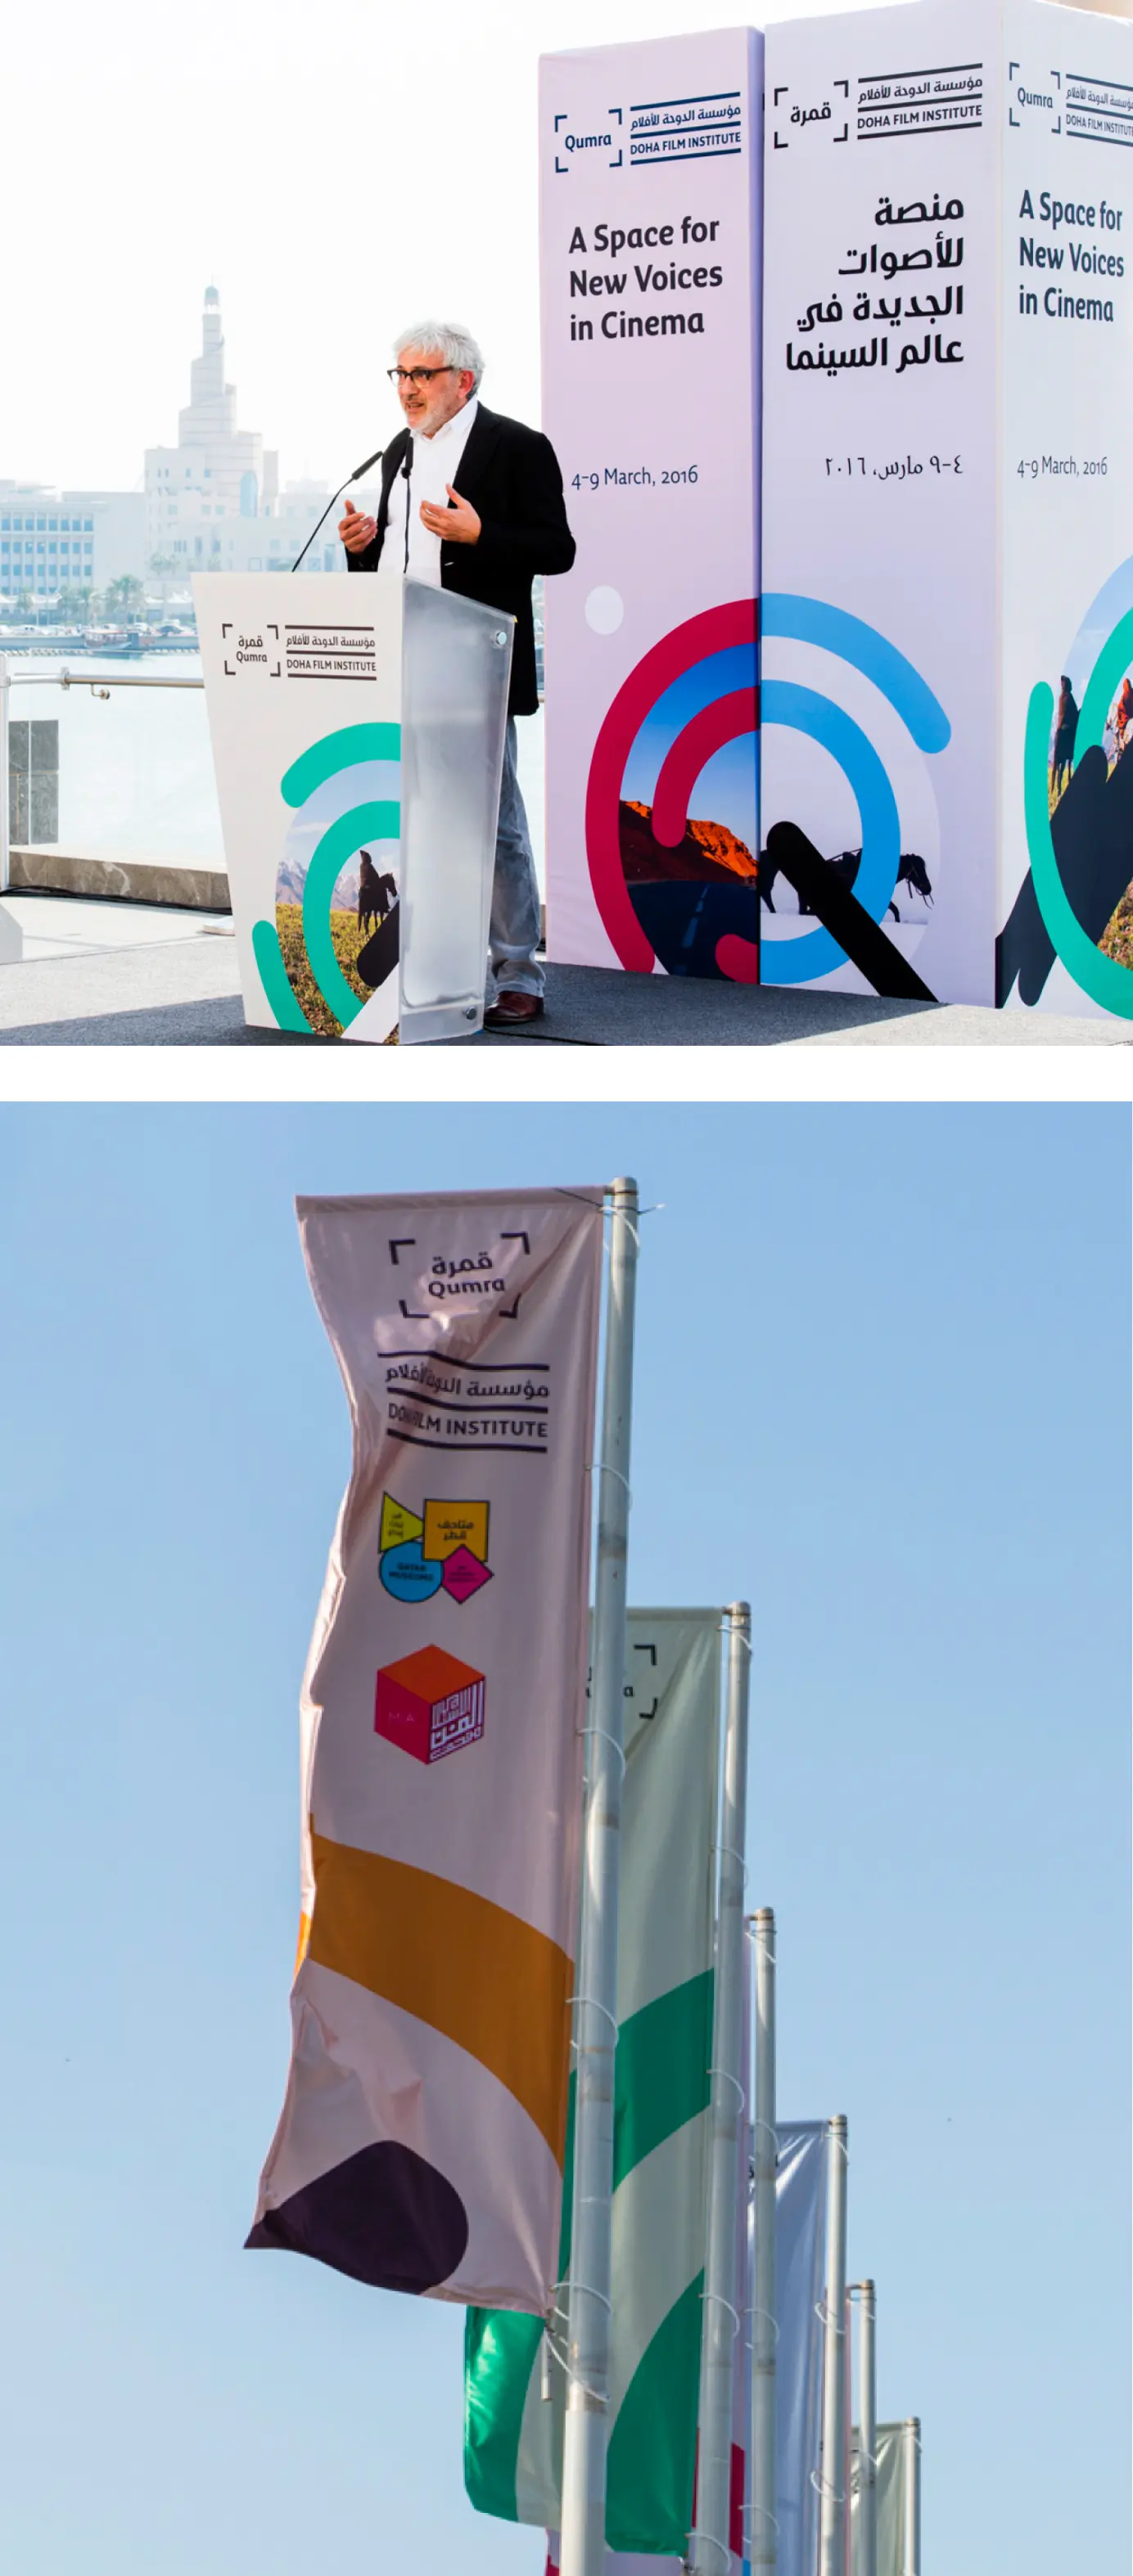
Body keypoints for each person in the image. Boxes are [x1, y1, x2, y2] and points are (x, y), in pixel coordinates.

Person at [338, 322, 576, 1029]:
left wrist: (483, 535)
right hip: (401, 660)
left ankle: (519, 974)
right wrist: (361, 548)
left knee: (493, 825)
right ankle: (432, 965)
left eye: (422, 375)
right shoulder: (397, 453)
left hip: (474, 665)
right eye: (399, 375)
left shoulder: (517, 447)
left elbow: (557, 549)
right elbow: (399, 563)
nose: (407, 389)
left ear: (462, 381)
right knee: (410, 819)